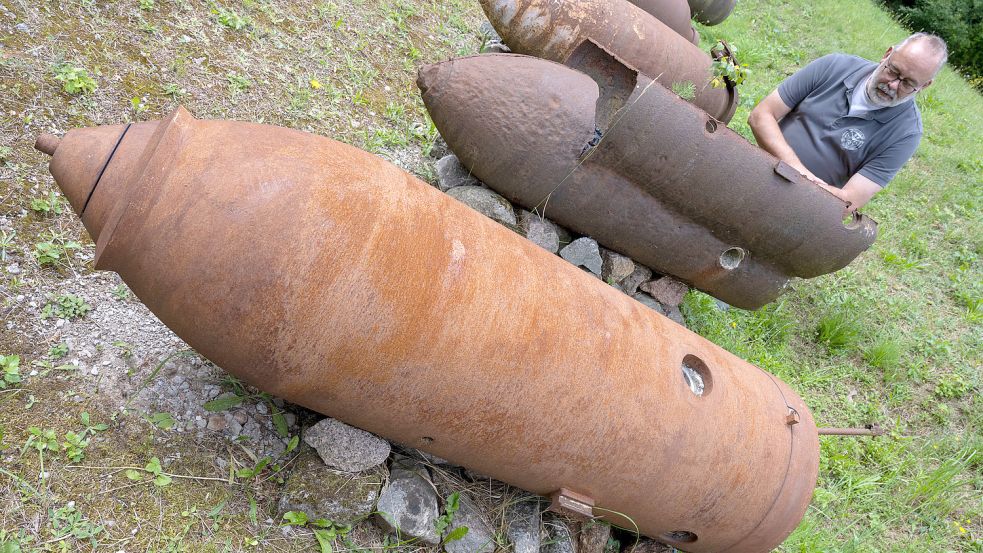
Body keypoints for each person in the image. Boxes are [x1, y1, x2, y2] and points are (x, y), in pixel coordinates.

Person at [748, 33, 948, 212]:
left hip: (802, 206)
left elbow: (848, 203)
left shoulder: (906, 133)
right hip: (756, 167)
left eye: (907, 83)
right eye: (893, 71)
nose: (893, 85)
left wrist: (800, 185)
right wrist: (799, 173)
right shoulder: (834, 66)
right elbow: (761, 116)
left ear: (924, 86)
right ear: (887, 54)